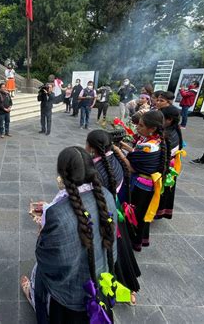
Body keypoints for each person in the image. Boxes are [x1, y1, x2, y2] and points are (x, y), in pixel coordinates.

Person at [20, 146, 117, 323]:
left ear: (62, 175)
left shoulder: (58, 213)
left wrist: (42, 229)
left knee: (44, 291)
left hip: (69, 293)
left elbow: (47, 258)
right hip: (101, 276)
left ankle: (33, 295)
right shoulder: (107, 196)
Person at [86, 130, 141, 305]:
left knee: (109, 255)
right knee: (120, 250)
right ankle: (129, 286)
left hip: (102, 215)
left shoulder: (95, 171)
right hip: (114, 210)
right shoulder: (115, 160)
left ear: (91, 147)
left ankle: (121, 290)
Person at [116, 110, 169, 251]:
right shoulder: (157, 139)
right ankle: (136, 241)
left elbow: (132, 167)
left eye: (141, 126)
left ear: (152, 128)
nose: (137, 128)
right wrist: (126, 147)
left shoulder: (149, 146)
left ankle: (129, 242)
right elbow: (138, 154)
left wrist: (118, 152)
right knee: (140, 215)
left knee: (134, 215)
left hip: (140, 186)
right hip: (147, 185)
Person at [155, 106, 184, 220]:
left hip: (165, 166)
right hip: (168, 164)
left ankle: (156, 212)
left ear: (169, 119)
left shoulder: (169, 134)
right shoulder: (173, 129)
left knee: (161, 192)